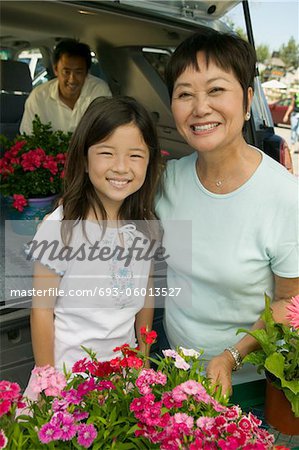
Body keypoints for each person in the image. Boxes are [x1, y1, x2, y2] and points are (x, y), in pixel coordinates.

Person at [155, 30, 299, 394]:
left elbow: (290, 302)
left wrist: (231, 356)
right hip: (175, 368)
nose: (200, 107)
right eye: (185, 93)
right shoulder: (167, 180)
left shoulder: (283, 196)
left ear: (248, 99)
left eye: (216, 90)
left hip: (250, 382)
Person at [25, 96, 161, 372]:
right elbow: (41, 312)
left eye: (135, 155)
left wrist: (143, 361)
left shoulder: (145, 225)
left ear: (149, 162)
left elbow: (146, 296)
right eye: (107, 153)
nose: (121, 167)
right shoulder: (62, 228)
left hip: (123, 382)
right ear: (85, 160)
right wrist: (49, 384)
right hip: (69, 382)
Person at [19, 39, 112, 134]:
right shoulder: (38, 97)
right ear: (55, 69)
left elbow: (105, 132)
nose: (72, 79)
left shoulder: (98, 91)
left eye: (78, 72)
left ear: (87, 72)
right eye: (66, 72)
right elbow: (29, 137)